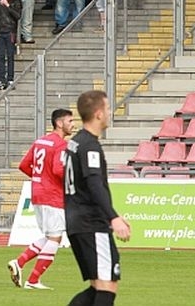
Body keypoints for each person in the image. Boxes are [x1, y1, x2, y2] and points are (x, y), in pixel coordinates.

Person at [64, 89, 131, 306]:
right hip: (91, 223)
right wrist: (113, 217)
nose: (110, 112)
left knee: (97, 285)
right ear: (98, 114)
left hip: (76, 221)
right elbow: (94, 184)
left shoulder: (75, 142)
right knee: (107, 284)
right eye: (108, 108)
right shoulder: (89, 146)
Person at [8, 108, 74, 290]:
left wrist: (40, 179)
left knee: (50, 236)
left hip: (37, 193)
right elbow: (59, 170)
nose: (73, 124)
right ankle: (33, 280)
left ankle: (19, 262)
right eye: (70, 121)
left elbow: (24, 165)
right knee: (55, 238)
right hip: (52, 195)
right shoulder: (61, 144)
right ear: (59, 123)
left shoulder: (40, 141)